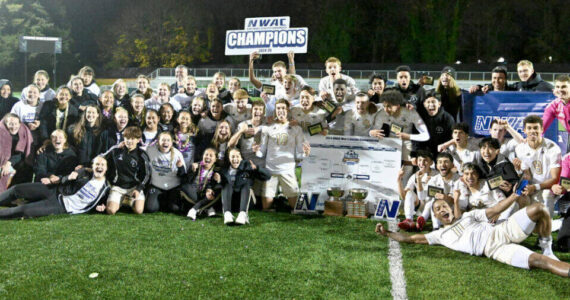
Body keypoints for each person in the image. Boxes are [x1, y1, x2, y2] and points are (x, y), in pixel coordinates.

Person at [375, 195, 570, 277]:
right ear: (435, 216)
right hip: (494, 249)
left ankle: (547, 246)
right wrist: (387, 233)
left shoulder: (468, 216)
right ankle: (548, 255)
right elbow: (409, 239)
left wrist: (514, 195)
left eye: (444, 206)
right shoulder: (439, 235)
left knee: (538, 209)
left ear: (451, 208)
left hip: (502, 231)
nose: (442, 209)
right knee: (538, 260)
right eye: (437, 209)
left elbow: (495, 210)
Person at [0, 156, 110, 219]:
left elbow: (105, 204)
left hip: (60, 206)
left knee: (23, 210)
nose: (99, 167)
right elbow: (68, 177)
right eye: (97, 164)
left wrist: (103, 208)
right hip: (54, 191)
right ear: (92, 167)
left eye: (102, 165)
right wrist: (69, 177)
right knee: (17, 189)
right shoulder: (85, 173)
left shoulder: (105, 189)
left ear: (106, 169)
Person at [253, 99, 311, 211]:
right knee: (266, 206)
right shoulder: (267, 127)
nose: (281, 111)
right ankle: (279, 198)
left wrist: (305, 153)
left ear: (288, 110)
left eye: (283, 108)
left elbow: (299, 154)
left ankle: (282, 197)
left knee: (295, 206)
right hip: (271, 170)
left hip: (287, 170)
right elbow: (262, 153)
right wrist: (256, 151)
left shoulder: (296, 128)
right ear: (275, 110)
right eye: (278, 108)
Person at [514, 115, 561, 216]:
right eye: (529, 128)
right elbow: (527, 175)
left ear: (542, 129)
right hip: (531, 186)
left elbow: (555, 178)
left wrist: (535, 187)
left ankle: (547, 226)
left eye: (535, 128)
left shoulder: (553, 148)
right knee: (518, 195)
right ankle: (525, 226)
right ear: (524, 130)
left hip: (548, 187)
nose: (532, 131)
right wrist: (518, 170)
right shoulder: (520, 149)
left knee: (546, 194)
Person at [103, 126, 150, 215]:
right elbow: (102, 161)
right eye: (127, 138)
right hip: (118, 187)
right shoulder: (116, 151)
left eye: (132, 139)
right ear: (123, 138)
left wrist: (138, 189)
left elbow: (147, 174)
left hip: (133, 187)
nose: (129, 141)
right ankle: (123, 200)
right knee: (111, 211)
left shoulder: (142, 155)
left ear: (138, 140)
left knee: (138, 211)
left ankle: (126, 201)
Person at [453, 163, 522, 223]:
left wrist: (498, 213)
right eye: (466, 174)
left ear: (477, 175)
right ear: (462, 177)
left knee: (512, 205)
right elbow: (458, 217)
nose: (470, 177)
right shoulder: (464, 191)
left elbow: (503, 200)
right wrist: (455, 201)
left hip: (499, 211)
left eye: (473, 173)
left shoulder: (488, 183)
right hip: (483, 218)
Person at [220, 148, 270, 225]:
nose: (235, 159)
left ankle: (243, 214)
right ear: (228, 158)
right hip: (231, 202)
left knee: (246, 184)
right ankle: (227, 214)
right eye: (232, 156)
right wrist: (218, 180)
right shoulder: (224, 169)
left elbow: (267, 176)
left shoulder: (247, 166)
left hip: (247, 201)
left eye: (237, 156)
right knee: (226, 184)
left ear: (241, 157)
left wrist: (257, 168)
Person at [145, 132, 186, 213]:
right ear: (158, 142)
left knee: (175, 209)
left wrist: (180, 167)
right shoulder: (150, 150)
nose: (165, 142)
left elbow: (183, 175)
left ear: (171, 142)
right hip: (156, 186)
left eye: (168, 140)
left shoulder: (177, 154)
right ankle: (161, 199)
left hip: (173, 186)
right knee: (150, 208)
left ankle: (166, 200)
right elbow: (137, 150)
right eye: (163, 140)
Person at [416, 152, 460, 230]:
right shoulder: (434, 179)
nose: (442, 165)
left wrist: (446, 198)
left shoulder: (459, 180)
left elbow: (463, 204)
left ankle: (430, 222)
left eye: (446, 162)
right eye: (440, 162)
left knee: (437, 203)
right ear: (437, 166)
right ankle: (435, 227)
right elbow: (422, 197)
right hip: (439, 210)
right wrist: (419, 181)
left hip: (456, 210)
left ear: (452, 165)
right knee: (433, 202)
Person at [397, 150, 438, 231]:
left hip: (434, 209)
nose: (422, 163)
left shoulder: (437, 175)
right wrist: (399, 179)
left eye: (425, 160)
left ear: (431, 163)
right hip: (421, 206)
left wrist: (430, 182)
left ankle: (423, 219)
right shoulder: (415, 176)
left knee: (432, 200)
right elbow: (404, 197)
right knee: (409, 193)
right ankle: (409, 220)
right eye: (419, 160)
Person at [182, 147, 222, 220]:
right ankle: (208, 207)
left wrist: (218, 180)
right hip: (193, 192)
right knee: (186, 186)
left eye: (211, 155)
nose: (208, 157)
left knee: (218, 188)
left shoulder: (217, 170)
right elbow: (186, 180)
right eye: (206, 154)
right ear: (203, 156)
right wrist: (192, 171)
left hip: (205, 194)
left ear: (215, 159)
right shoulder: (196, 165)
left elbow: (216, 185)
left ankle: (193, 210)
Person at [0, 113, 33, 193]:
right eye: (10, 124)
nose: (14, 127)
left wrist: (8, 164)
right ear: (5, 123)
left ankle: (19, 194)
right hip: (1, 160)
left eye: (16, 124)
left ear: (19, 123)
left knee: (26, 168)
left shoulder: (23, 131)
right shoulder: (1, 131)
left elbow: (22, 152)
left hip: (16, 159)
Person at [416, 92, 455, 158]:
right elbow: (415, 136)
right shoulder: (420, 117)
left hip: (442, 150)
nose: (431, 104)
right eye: (428, 102)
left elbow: (452, 138)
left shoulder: (448, 118)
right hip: (424, 151)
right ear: (424, 104)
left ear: (439, 104)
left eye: (433, 102)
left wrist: (445, 146)